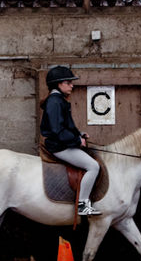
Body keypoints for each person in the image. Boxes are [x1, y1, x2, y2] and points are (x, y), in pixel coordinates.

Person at [40, 66, 102, 216]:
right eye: (68, 82)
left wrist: (79, 134)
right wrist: (76, 140)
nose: (72, 85)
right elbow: (57, 130)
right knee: (93, 166)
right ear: (58, 84)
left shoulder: (58, 100)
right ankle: (82, 204)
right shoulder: (54, 102)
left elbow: (64, 126)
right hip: (59, 146)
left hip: (62, 143)